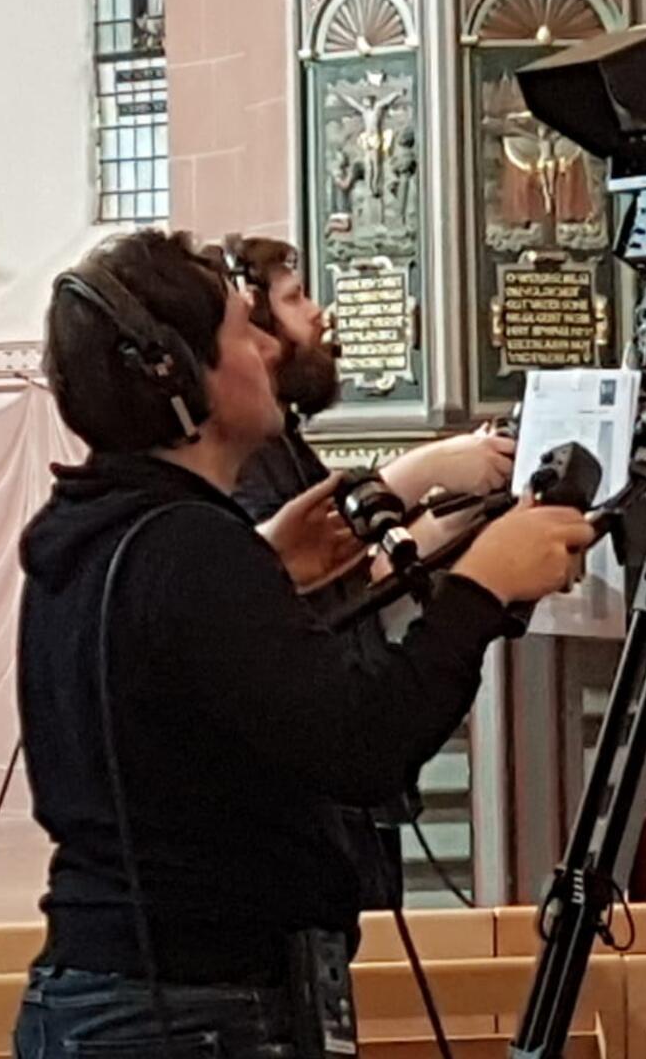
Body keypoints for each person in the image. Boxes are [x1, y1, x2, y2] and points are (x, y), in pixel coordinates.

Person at [14, 229, 594, 1058]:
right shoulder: (187, 551)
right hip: (190, 1011)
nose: (266, 348)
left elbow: (173, 695)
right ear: (176, 378)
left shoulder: (100, 532)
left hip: (121, 993)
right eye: (242, 330)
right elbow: (362, 747)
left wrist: (264, 571)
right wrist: (481, 589)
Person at [222, 233, 515, 913]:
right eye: (295, 300)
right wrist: (425, 472)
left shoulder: (283, 445)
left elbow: (351, 578)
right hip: (314, 792)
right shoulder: (244, 468)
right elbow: (290, 589)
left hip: (349, 795)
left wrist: (452, 524)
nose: (319, 314)